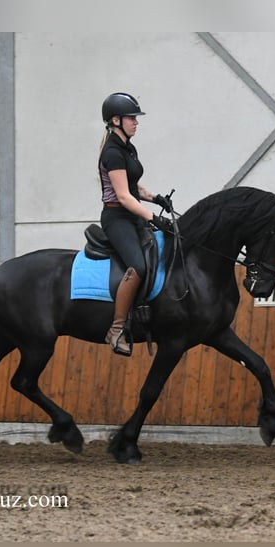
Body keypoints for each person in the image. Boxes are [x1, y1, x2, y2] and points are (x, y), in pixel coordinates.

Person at [98, 92, 172, 356]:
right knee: (138, 265)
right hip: (117, 218)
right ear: (116, 120)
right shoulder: (112, 153)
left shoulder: (128, 147)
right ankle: (116, 329)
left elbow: (133, 186)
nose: (136, 122)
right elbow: (122, 196)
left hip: (131, 214)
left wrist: (156, 198)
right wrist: (153, 218)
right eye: (132, 118)